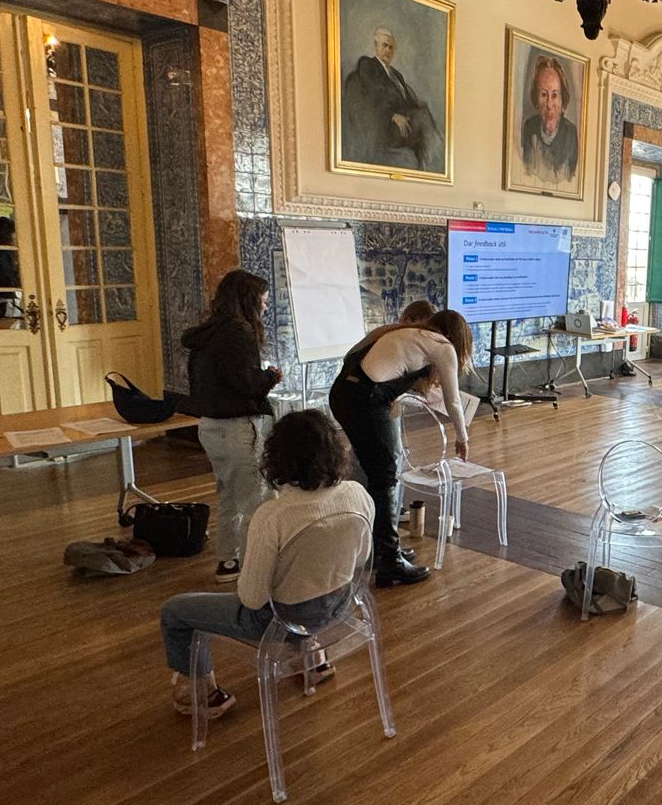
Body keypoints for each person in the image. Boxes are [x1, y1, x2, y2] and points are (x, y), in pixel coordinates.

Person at [157, 411, 373, 721]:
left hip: (280, 621)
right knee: (306, 584)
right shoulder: (358, 495)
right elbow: (360, 558)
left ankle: (203, 692)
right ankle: (313, 659)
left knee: (174, 611)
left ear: (276, 459)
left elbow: (252, 599)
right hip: (338, 607)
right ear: (336, 450)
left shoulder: (274, 516)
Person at [327, 308, 474, 586]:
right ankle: (390, 561)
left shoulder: (400, 333)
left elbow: (355, 360)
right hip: (366, 401)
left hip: (342, 394)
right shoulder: (443, 346)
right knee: (384, 479)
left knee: (377, 475)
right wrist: (462, 437)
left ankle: (379, 550)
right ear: (459, 339)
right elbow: (453, 401)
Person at [182, 269, 282, 582]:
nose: (265, 306)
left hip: (210, 426)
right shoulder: (238, 333)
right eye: (263, 300)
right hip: (238, 427)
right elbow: (246, 384)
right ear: (249, 299)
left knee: (227, 496)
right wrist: (270, 377)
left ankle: (228, 561)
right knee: (258, 501)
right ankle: (258, 570)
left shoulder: (207, 333)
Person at [341, 26, 440, 172]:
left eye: (391, 47)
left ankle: (427, 168)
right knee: (423, 118)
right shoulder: (368, 65)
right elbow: (374, 94)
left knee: (423, 114)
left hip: (405, 123)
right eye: (384, 45)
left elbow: (407, 102)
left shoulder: (396, 75)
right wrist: (392, 115)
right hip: (386, 125)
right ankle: (433, 166)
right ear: (376, 46)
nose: (388, 50)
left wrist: (417, 108)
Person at [516, 53, 579, 190]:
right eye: (544, 94)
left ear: (562, 100)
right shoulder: (528, 128)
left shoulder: (571, 134)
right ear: (536, 98)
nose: (549, 104)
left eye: (554, 95)